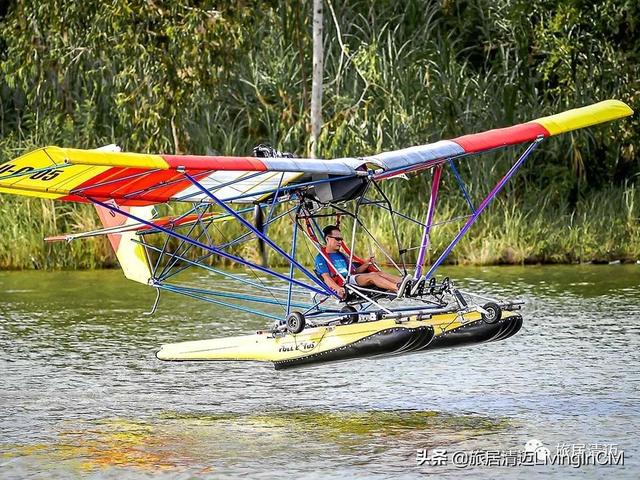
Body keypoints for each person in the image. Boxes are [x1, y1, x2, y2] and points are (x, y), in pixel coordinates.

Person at [314, 225, 411, 299]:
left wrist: (366, 264)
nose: (340, 242)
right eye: (337, 239)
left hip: (352, 278)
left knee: (379, 273)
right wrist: (338, 289)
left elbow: (354, 272)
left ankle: (405, 282)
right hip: (344, 283)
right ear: (327, 239)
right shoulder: (321, 258)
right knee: (373, 276)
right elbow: (327, 278)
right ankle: (397, 288)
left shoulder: (341, 255)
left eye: (341, 239)